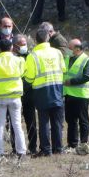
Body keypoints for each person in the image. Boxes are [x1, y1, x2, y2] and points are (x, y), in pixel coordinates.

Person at [0, 35, 27, 159]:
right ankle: (21, 151)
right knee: (17, 124)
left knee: (0, 125)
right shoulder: (19, 61)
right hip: (15, 97)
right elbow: (23, 72)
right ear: (12, 47)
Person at [23, 25, 66, 155]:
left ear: (36, 41)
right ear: (48, 38)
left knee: (44, 122)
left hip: (41, 92)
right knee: (57, 122)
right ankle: (58, 148)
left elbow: (29, 77)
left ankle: (46, 149)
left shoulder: (33, 56)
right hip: (57, 89)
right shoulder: (57, 52)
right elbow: (63, 69)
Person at [63, 37, 89, 149]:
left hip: (81, 95)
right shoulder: (67, 58)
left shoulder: (87, 60)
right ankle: (72, 144)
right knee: (70, 121)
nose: (68, 49)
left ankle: (84, 143)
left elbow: (86, 76)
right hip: (68, 94)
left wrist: (71, 82)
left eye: (70, 48)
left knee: (83, 120)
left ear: (76, 48)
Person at [14, 33, 38, 154]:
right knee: (15, 122)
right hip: (16, 94)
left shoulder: (30, 56)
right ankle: (16, 148)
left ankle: (33, 147)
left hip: (29, 93)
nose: (24, 46)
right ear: (15, 46)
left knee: (31, 121)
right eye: (21, 44)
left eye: (25, 44)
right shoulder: (12, 58)